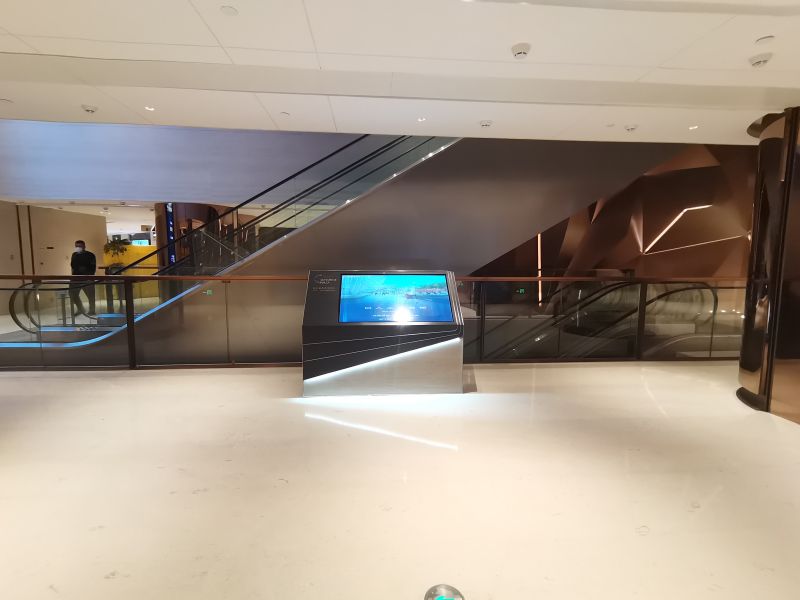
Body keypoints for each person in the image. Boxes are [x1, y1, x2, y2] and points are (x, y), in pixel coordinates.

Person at [70, 240, 97, 316]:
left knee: (91, 296)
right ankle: (80, 309)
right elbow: (72, 266)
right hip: (76, 279)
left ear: (84, 246)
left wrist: (89, 276)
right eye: (76, 246)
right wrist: (72, 277)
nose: (78, 248)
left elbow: (93, 268)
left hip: (87, 279)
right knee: (73, 294)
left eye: (80, 246)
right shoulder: (74, 255)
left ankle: (92, 310)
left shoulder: (90, 255)